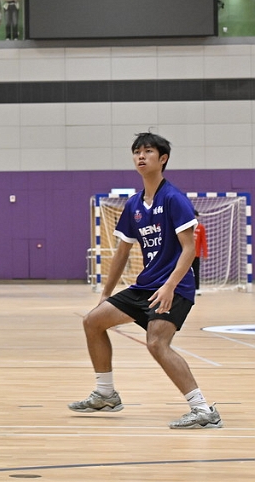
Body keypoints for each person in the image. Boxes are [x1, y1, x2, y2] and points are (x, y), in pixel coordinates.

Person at [68, 132, 221, 430]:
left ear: (162, 159)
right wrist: (106, 293)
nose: (141, 156)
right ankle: (105, 394)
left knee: (156, 343)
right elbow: (121, 252)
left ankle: (203, 410)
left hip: (175, 287)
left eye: (148, 151)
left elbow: (189, 249)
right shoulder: (134, 205)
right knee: (93, 321)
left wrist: (169, 286)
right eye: (137, 151)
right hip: (146, 285)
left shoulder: (174, 198)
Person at [192, 210, 207, 294]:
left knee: (196, 271)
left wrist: (205, 253)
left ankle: (197, 288)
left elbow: (203, 241)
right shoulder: (186, 226)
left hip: (196, 254)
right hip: (186, 255)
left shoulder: (200, 228)